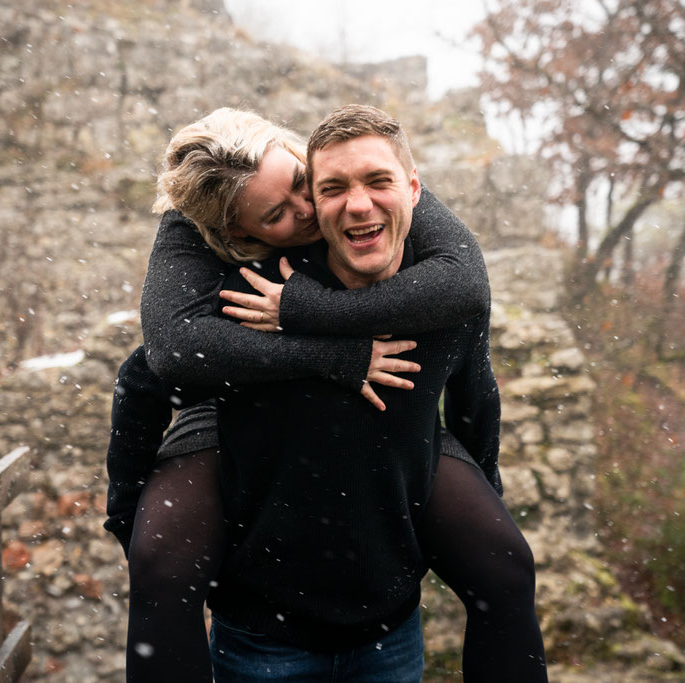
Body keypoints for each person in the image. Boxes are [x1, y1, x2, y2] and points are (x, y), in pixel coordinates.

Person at [104, 107, 545, 681]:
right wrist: (126, 511)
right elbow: (162, 359)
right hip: (229, 397)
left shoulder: (381, 206)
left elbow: (468, 326)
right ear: (242, 233)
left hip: (392, 430)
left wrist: (307, 311)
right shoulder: (219, 254)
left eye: (300, 184)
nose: (309, 209)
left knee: (505, 564)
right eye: (278, 213)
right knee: (160, 565)